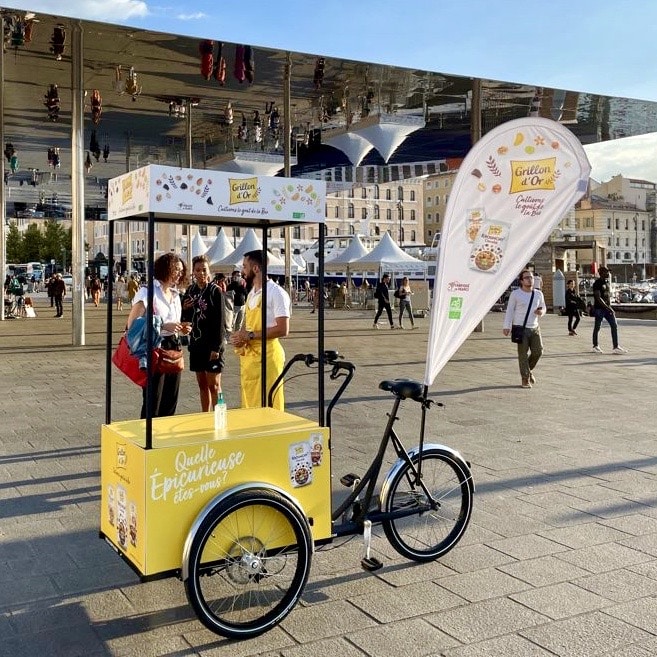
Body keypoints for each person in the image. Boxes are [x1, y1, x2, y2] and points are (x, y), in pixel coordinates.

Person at [126, 253, 190, 418]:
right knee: (153, 399)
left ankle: (164, 437)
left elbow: (172, 320)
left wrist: (180, 328)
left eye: (181, 271)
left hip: (173, 347)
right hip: (154, 347)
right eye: (175, 269)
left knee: (170, 398)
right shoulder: (148, 291)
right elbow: (132, 324)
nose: (179, 273)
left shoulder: (175, 294)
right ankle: (146, 436)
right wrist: (162, 325)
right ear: (165, 268)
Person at [230, 250, 291, 411]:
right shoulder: (251, 293)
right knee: (250, 403)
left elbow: (283, 329)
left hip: (269, 356)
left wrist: (250, 335)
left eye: (244, 267)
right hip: (251, 358)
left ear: (255, 268)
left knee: (269, 403)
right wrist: (240, 336)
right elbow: (249, 323)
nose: (242, 272)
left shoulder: (276, 293)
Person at [182, 256, 225, 412]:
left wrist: (217, 348)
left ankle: (219, 418)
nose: (201, 273)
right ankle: (205, 416)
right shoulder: (190, 290)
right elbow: (185, 321)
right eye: (197, 270)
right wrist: (184, 309)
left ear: (209, 271)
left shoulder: (215, 291)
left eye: (204, 270)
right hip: (196, 345)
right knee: (202, 384)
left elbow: (220, 322)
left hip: (212, 346)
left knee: (214, 384)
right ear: (193, 272)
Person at [503, 270, 546, 389]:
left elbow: (544, 307)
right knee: (522, 354)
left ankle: (528, 370)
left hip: (535, 327)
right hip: (520, 327)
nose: (530, 279)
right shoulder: (515, 294)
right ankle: (525, 378)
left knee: (538, 351)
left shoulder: (538, 294)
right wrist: (507, 326)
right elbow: (510, 311)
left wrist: (541, 312)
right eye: (526, 278)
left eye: (531, 277)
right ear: (521, 281)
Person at [591, 266, 627, 354]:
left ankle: (616, 347)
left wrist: (613, 302)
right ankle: (595, 346)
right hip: (599, 309)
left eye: (608, 272)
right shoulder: (597, 283)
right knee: (597, 327)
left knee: (614, 326)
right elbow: (598, 298)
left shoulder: (607, 282)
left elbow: (607, 296)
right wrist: (608, 308)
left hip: (607, 308)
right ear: (601, 273)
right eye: (606, 272)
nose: (608, 273)